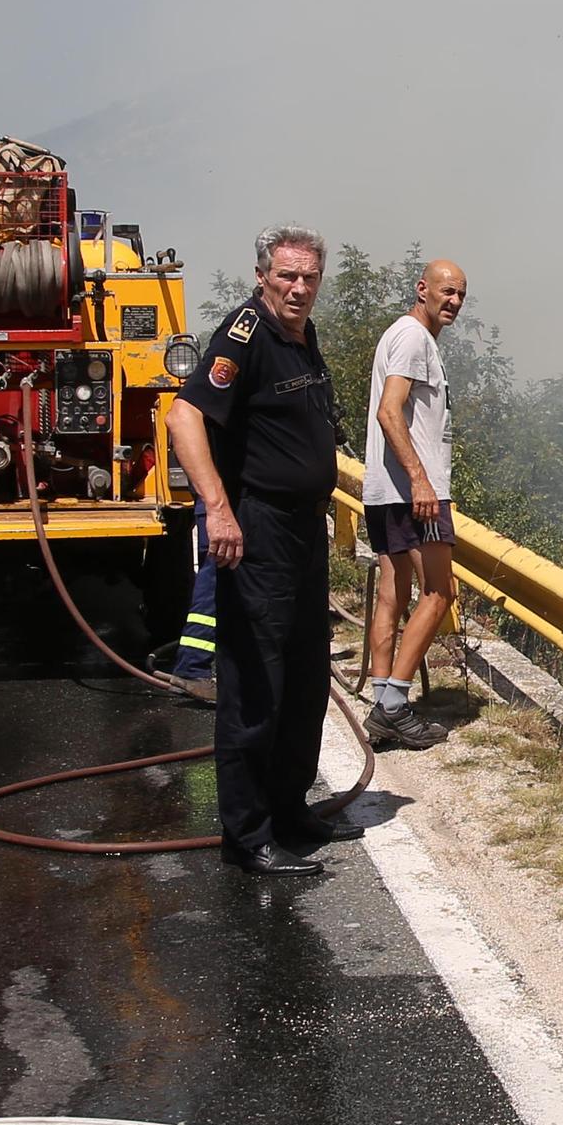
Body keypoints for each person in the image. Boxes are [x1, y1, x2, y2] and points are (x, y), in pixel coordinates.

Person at [163, 227, 353, 877]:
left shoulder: (300, 333)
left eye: (308, 278)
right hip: (259, 528)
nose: (298, 288)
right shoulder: (244, 334)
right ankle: (248, 835)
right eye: (287, 276)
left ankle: (289, 808)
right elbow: (184, 417)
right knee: (255, 686)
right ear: (262, 275)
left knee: (304, 678)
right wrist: (217, 508)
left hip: (303, 531)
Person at [358, 258, 467, 747]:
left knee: (394, 590)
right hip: (412, 492)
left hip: (386, 489)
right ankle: (395, 705)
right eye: (447, 291)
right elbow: (389, 411)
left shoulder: (399, 336)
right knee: (439, 593)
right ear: (422, 289)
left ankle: (383, 698)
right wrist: (421, 480)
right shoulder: (413, 338)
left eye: (461, 295)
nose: (454, 302)